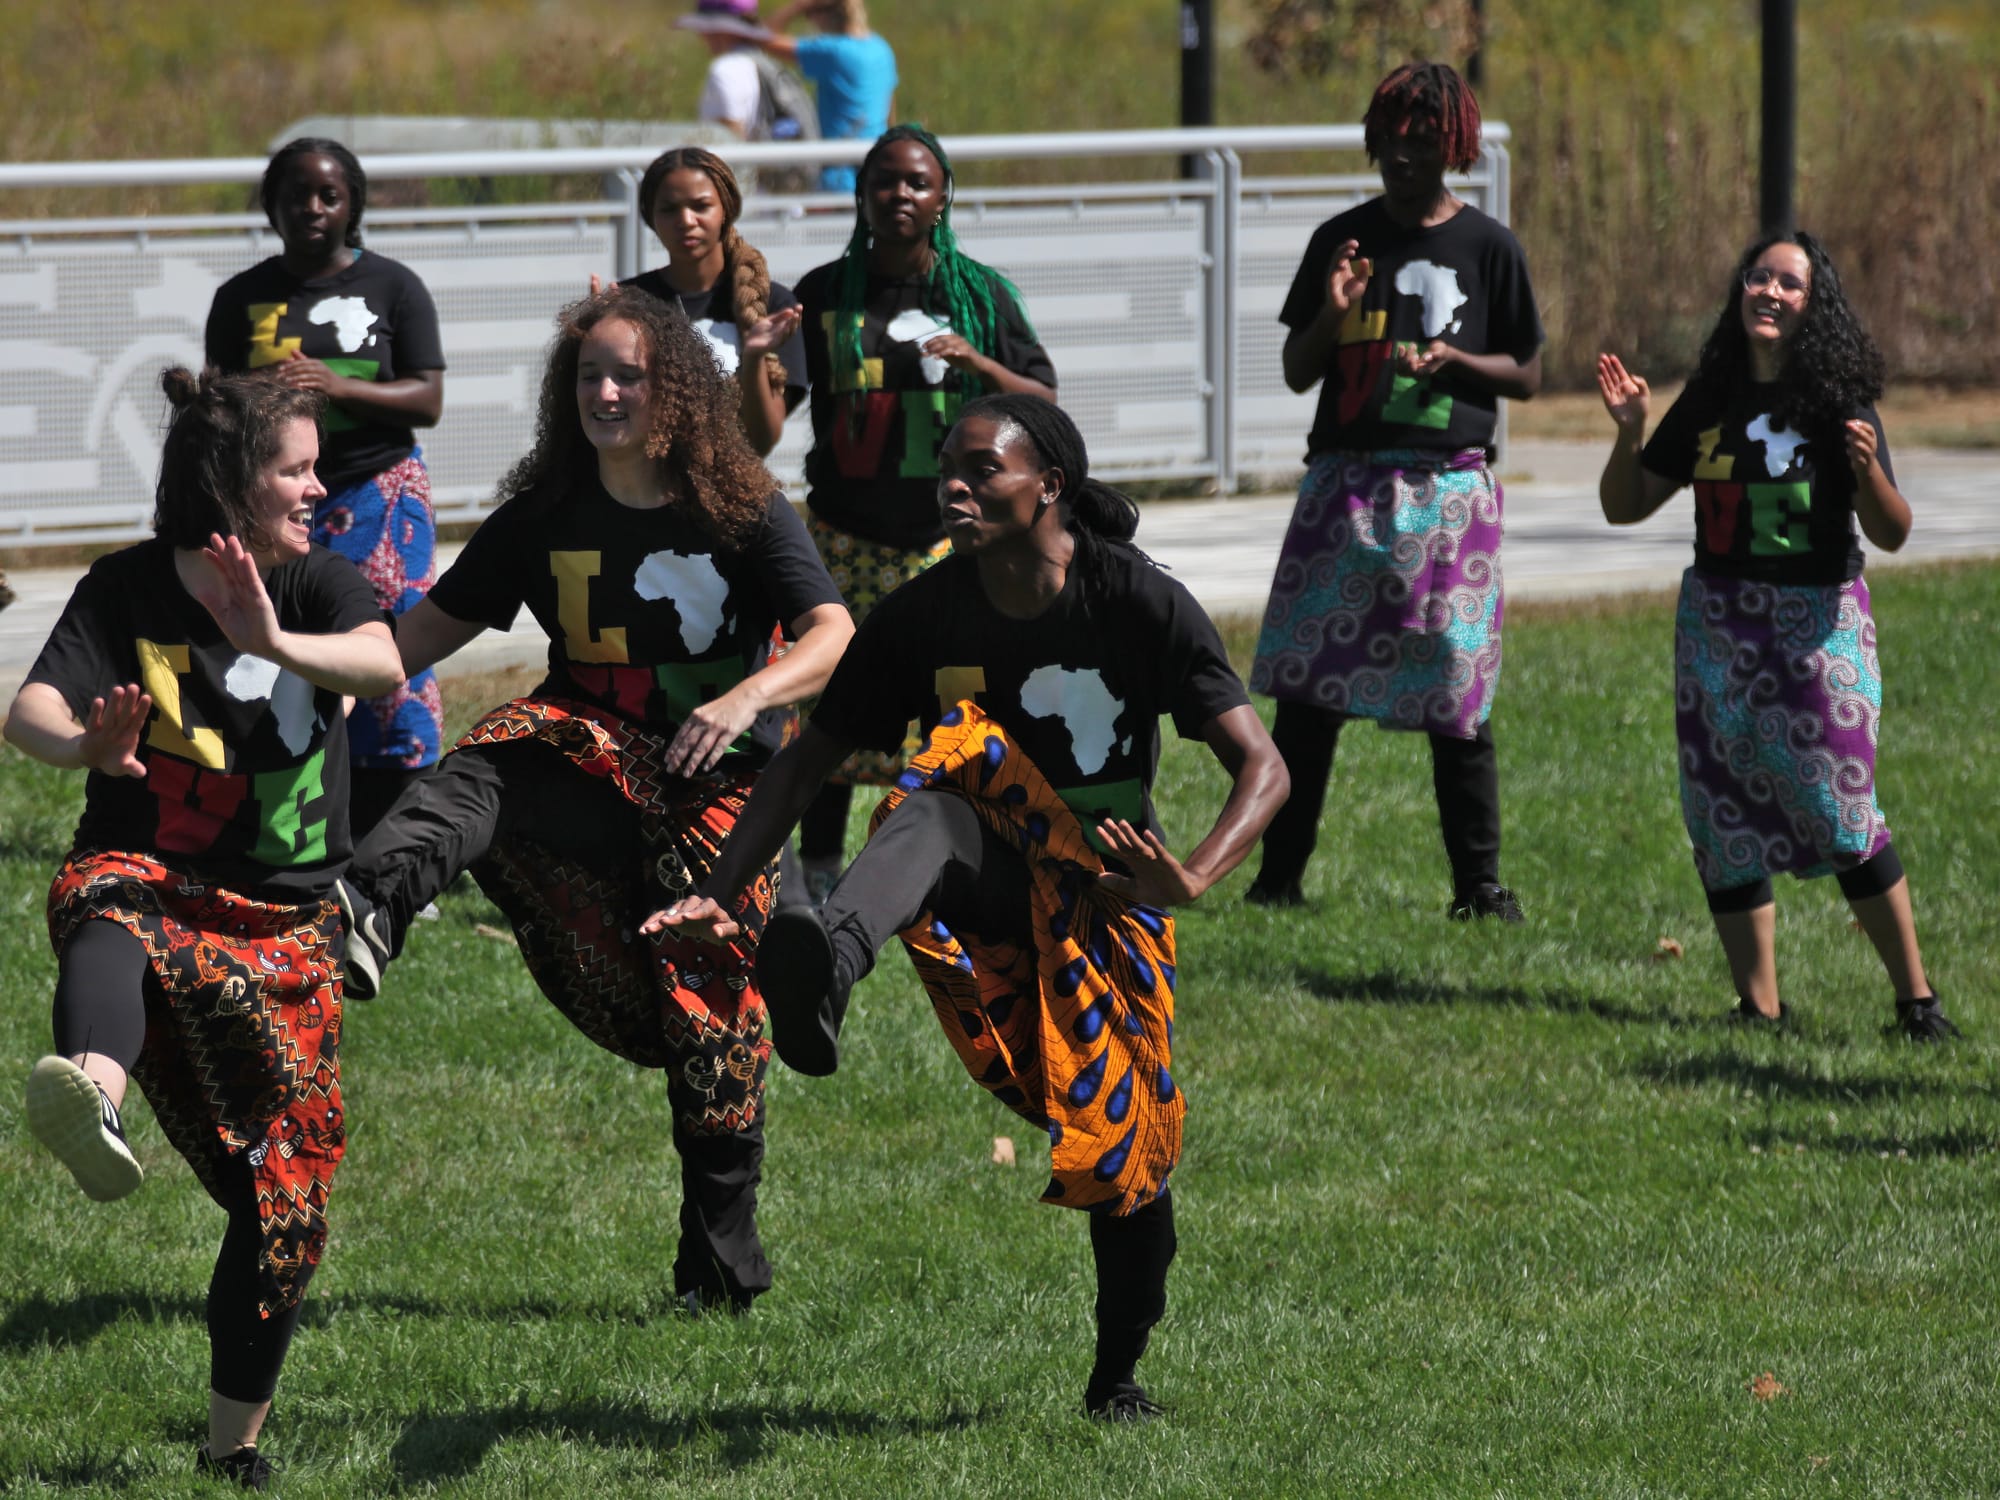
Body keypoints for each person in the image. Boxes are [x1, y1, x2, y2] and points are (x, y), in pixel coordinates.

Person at [645, 395, 1290, 1419]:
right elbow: (804, 762)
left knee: (1130, 1168)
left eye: (983, 469)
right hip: (980, 871)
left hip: (1106, 904)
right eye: (947, 467)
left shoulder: (1135, 600)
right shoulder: (922, 614)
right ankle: (827, 967)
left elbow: (1262, 765)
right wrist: (716, 895)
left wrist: (1196, 873)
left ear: (1050, 486)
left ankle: (1116, 1375)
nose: (955, 485)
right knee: (936, 797)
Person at [334, 286, 854, 1311]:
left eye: (628, 376)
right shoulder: (542, 515)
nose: (604, 394)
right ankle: (369, 903)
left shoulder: (742, 504)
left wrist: (746, 695)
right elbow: (407, 644)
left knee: (710, 1019)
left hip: (718, 790)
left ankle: (719, 1272)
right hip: (587, 757)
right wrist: (288, 664)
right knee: (494, 756)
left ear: (677, 391)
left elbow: (833, 634)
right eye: (587, 376)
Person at [7, 367, 403, 1488]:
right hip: (155, 871)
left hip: (284, 921)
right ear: (231, 485)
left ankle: (233, 1448)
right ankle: (92, 1092)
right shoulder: (127, 587)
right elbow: (29, 708)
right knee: (108, 904)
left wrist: (273, 638)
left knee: (287, 1198)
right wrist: (84, 747)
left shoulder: (318, 580)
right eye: (296, 470)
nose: (319, 488)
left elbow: (383, 666)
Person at [1595, 233, 1956, 1039]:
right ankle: (1758, 1007)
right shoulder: (1710, 399)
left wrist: (1867, 471)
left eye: (1789, 283)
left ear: (1813, 305)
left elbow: (1893, 532)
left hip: (1818, 624)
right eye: (1758, 277)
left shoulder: (1836, 403)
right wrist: (1629, 432)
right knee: (1720, 812)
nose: (1769, 291)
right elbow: (1626, 505)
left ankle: (1917, 1003)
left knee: (1840, 806)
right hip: (1717, 625)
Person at [1245, 61, 1542, 919]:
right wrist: (1334, 312)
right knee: (1308, 694)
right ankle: (1278, 880)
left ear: (1457, 147)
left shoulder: (1489, 248)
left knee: (1456, 693)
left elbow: (1526, 374)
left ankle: (1478, 889)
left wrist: (1459, 362)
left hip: (1447, 493)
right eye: (1391, 141)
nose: (1405, 157)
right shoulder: (1341, 240)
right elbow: (1298, 369)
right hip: (1343, 489)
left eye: (1424, 142)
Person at [790, 123, 1057, 903]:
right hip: (843, 534)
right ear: (861, 194)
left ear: (943, 198)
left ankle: (961, 861)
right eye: (885, 181)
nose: (900, 195)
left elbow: (1043, 400)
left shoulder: (978, 295)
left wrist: (977, 362)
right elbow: (776, 404)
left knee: (957, 709)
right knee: (834, 706)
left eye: (917, 182)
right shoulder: (826, 293)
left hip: (951, 544)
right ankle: (818, 872)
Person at [205, 137, 447, 841]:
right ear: (271, 206)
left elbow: (428, 397)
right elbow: (215, 408)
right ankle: (290, 801)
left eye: (329, 195)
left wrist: (338, 387)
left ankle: (397, 823)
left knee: (389, 649)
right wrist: (254, 395)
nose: (312, 207)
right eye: (296, 195)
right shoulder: (240, 297)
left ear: (353, 205)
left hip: (377, 490)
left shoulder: (393, 286)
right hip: (271, 502)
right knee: (285, 645)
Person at [602, 146, 809, 458]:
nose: (686, 220)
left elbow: (761, 442)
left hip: (733, 484)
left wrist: (753, 358)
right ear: (650, 217)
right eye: (669, 209)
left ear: (726, 209)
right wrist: (590, 333)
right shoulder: (628, 301)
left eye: (701, 206)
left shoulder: (772, 304)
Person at [749, 0, 897, 192]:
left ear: (824, 13)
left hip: (839, 172)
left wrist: (799, 7)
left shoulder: (832, 51)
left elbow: (761, 37)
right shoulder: (881, 49)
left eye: (810, 15)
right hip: (877, 165)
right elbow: (889, 111)